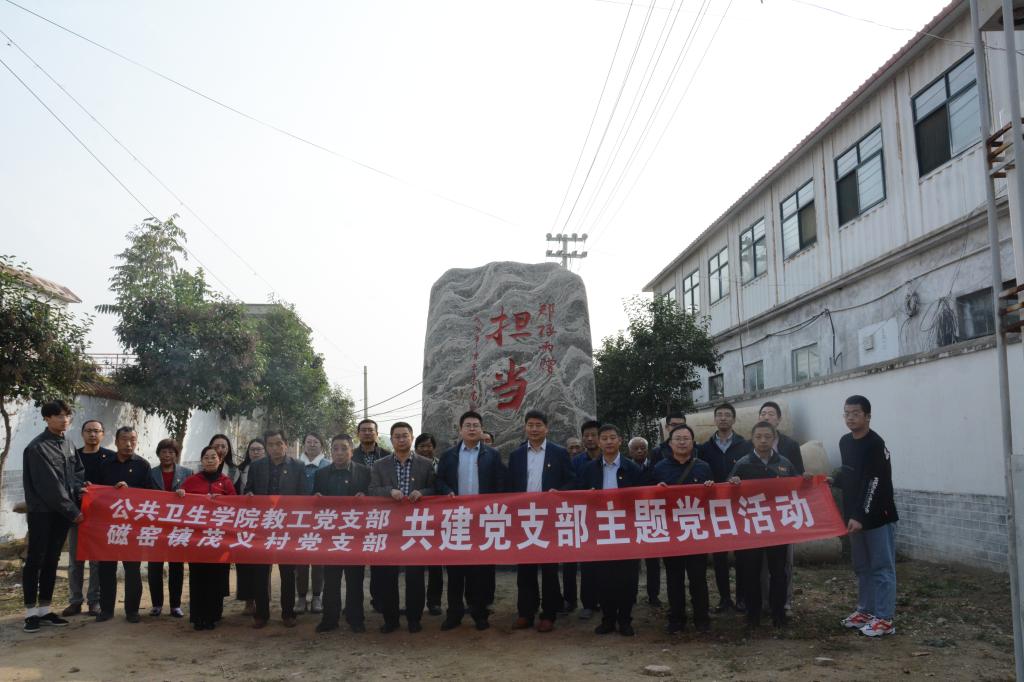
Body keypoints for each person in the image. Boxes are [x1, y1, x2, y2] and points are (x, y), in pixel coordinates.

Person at [436, 410, 506, 631]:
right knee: (455, 570)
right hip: (456, 519)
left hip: (482, 519)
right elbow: (439, 481)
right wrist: (446, 491)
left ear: (482, 429)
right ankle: (454, 614)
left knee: (480, 570)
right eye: (468, 425)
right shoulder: (448, 455)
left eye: (476, 425)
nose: (472, 428)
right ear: (460, 430)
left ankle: (479, 613)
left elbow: (500, 483)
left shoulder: (492, 455)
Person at [835, 395, 898, 638]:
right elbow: (850, 474)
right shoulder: (845, 442)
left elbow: (874, 482)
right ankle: (866, 610)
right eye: (847, 413)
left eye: (856, 413)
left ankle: (884, 618)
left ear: (868, 416)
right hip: (855, 516)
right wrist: (833, 480)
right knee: (862, 567)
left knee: (881, 566)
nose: (850, 418)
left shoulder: (875, 444)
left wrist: (861, 516)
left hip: (877, 516)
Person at [507, 409, 575, 632]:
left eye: (538, 425)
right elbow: (510, 486)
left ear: (547, 428)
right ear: (525, 427)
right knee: (525, 568)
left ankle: (549, 614)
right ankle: (526, 612)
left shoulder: (559, 453)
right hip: (524, 517)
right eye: (530, 425)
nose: (534, 429)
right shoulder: (516, 455)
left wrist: (559, 492)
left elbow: (572, 481)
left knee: (549, 569)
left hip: (549, 518)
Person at [728, 421, 798, 628]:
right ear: (752, 439)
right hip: (752, 527)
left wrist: (807, 481)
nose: (763, 440)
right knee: (751, 572)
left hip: (778, 526)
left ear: (774, 438)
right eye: (758, 437)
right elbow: (728, 491)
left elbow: (797, 488)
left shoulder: (784, 463)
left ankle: (779, 614)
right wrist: (733, 483)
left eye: (767, 436)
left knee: (778, 572)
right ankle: (753, 614)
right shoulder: (743, 464)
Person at [22, 399, 83, 633]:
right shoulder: (37, 448)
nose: (64, 420)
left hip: (62, 513)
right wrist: (73, 511)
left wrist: (80, 490)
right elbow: (50, 487)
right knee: (35, 559)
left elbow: (77, 472)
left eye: (67, 415)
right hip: (43, 512)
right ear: (46, 418)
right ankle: (30, 613)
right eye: (58, 415)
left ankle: (45, 609)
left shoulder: (68, 443)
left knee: (53, 559)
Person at [369, 422, 436, 633]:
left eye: (405, 435)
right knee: (388, 575)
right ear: (391, 439)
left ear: (412, 437)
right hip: (389, 528)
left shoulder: (426, 464)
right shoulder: (380, 465)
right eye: (397, 436)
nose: (401, 439)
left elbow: (435, 488)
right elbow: (372, 489)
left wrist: (422, 493)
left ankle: (414, 618)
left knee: (415, 575)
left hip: (416, 527)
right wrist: (389, 491)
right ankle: (391, 620)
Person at [580, 424, 644, 636]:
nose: (608, 442)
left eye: (612, 438)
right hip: (600, 529)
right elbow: (577, 497)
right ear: (599, 442)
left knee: (627, 577)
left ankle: (625, 619)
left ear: (620, 441)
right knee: (603, 577)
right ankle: (607, 619)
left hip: (627, 529)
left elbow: (642, 497)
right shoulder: (589, 469)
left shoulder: (632, 468)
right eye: (604, 438)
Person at [652, 424, 713, 633]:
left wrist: (711, 488)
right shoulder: (659, 468)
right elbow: (648, 499)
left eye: (686, 438)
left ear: (693, 443)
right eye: (677, 438)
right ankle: (676, 618)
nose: (682, 442)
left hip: (696, 531)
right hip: (671, 531)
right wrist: (656, 490)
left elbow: (714, 500)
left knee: (698, 577)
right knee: (674, 578)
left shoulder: (703, 467)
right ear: (670, 443)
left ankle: (702, 618)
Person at [244, 429, 305, 628]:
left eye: (279, 443)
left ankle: (288, 613)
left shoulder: (298, 466)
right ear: (266, 447)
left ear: (286, 444)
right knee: (261, 572)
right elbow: (248, 489)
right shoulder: (257, 466)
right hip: (263, 526)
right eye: (270, 444)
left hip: (287, 526)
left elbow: (303, 496)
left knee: (287, 572)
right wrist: (249, 495)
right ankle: (261, 614)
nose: (275, 448)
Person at [314, 433, 371, 634]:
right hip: (330, 535)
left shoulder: (364, 472)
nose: (339, 453)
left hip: (355, 535)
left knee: (355, 579)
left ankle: (356, 619)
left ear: (351, 451)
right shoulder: (321, 474)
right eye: (335, 449)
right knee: (331, 580)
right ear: (330, 451)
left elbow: (374, 498)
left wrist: (366, 496)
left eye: (343, 448)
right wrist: (316, 497)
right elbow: (313, 499)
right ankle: (330, 618)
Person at [97, 426, 154, 623]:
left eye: (133, 440)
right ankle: (106, 610)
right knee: (106, 569)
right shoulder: (105, 464)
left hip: (132, 527)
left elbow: (150, 496)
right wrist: (111, 492)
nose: (129, 444)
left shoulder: (143, 465)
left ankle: (132, 610)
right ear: (116, 441)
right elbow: (95, 491)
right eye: (124, 439)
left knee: (132, 570)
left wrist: (131, 492)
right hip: (109, 526)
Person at [176, 446, 237, 630]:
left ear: (220, 460)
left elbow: (236, 505)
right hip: (197, 539)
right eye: (206, 457)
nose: (210, 460)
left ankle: (213, 616)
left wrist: (223, 501)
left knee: (215, 578)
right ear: (201, 461)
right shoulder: (191, 481)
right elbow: (178, 501)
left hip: (218, 539)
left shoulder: (226, 482)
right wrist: (179, 494)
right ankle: (197, 617)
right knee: (197, 577)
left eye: (213, 457)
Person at [700, 402, 751, 613]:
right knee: (719, 555)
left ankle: (742, 597)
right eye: (719, 415)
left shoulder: (745, 445)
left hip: (739, 506)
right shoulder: (704, 448)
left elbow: (752, 472)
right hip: (715, 508)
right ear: (714, 419)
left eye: (727, 415)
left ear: (734, 419)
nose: (723, 418)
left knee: (742, 555)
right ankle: (724, 599)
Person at [757, 400, 804, 613]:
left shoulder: (790, 445)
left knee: (784, 561)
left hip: (783, 510)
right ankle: (764, 601)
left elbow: (798, 476)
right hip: (759, 511)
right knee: (761, 562)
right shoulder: (750, 444)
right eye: (763, 413)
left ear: (779, 419)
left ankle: (785, 602)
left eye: (771, 414)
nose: (766, 417)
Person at [64, 418, 113, 618]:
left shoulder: (111, 458)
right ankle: (75, 601)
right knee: (75, 560)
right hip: (77, 514)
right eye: (89, 431)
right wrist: (78, 490)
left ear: (103, 434)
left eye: (96, 431)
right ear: (82, 434)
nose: (93, 434)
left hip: (101, 516)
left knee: (96, 561)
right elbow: (66, 482)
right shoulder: (73, 457)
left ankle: (94, 601)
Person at [147, 439, 191, 618]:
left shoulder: (187, 473)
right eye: (164, 452)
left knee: (176, 567)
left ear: (176, 454)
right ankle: (156, 604)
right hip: (155, 526)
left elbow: (194, 497)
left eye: (171, 452)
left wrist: (185, 495)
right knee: (154, 566)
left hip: (177, 527)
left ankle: (175, 605)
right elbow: (141, 496)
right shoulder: (150, 473)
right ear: (158, 454)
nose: (167, 455)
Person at [353, 418, 391, 612]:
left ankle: (379, 600)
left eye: (371, 430)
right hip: (355, 516)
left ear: (377, 433)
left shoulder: (388, 456)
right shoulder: (350, 455)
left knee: (379, 561)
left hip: (381, 515)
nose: (367, 433)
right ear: (358, 433)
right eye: (364, 430)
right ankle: (354, 603)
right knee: (355, 562)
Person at [571, 419, 603, 620]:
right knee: (588, 562)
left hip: (609, 518)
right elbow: (571, 485)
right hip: (585, 518)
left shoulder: (612, 458)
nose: (590, 439)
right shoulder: (576, 462)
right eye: (586, 436)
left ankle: (607, 600)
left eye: (594, 435)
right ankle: (588, 603)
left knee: (608, 562)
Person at [296, 432, 330, 615]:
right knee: (300, 560)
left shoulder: (328, 465)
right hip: (299, 519)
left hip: (322, 520)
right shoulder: (295, 465)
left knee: (319, 560)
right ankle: (301, 597)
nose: (312, 444)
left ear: (321, 445)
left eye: (316, 442)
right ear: (303, 445)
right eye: (308, 442)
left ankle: (317, 596)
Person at [627, 436, 661, 607]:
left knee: (653, 561)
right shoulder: (625, 468)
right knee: (632, 561)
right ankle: (631, 595)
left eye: (643, 448)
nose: (640, 451)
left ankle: (654, 595)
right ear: (630, 451)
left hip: (651, 518)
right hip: (630, 519)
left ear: (648, 450)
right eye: (636, 449)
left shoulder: (656, 468)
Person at [415, 433, 444, 616]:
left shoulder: (442, 464)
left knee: (435, 563)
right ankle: (415, 604)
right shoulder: (411, 465)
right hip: (414, 520)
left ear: (434, 447)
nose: (426, 449)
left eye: (429, 446)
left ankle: (434, 602)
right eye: (422, 446)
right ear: (416, 448)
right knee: (415, 563)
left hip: (437, 520)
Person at [235, 438, 265, 615]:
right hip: (243, 520)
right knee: (244, 562)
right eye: (252, 449)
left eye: (259, 449)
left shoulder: (270, 468)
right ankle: (248, 601)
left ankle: (262, 601)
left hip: (264, 520)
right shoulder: (240, 470)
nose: (255, 452)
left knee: (262, 563)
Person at [561, 435, 584, 614]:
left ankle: (590, 601)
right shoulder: (560, 464)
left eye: (577, 447)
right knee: (568, 563)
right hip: (566, 518)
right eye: (571, 448)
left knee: (588, 563)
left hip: (586, 517)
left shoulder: (588, 464)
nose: (575, 451)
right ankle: (570, 600)